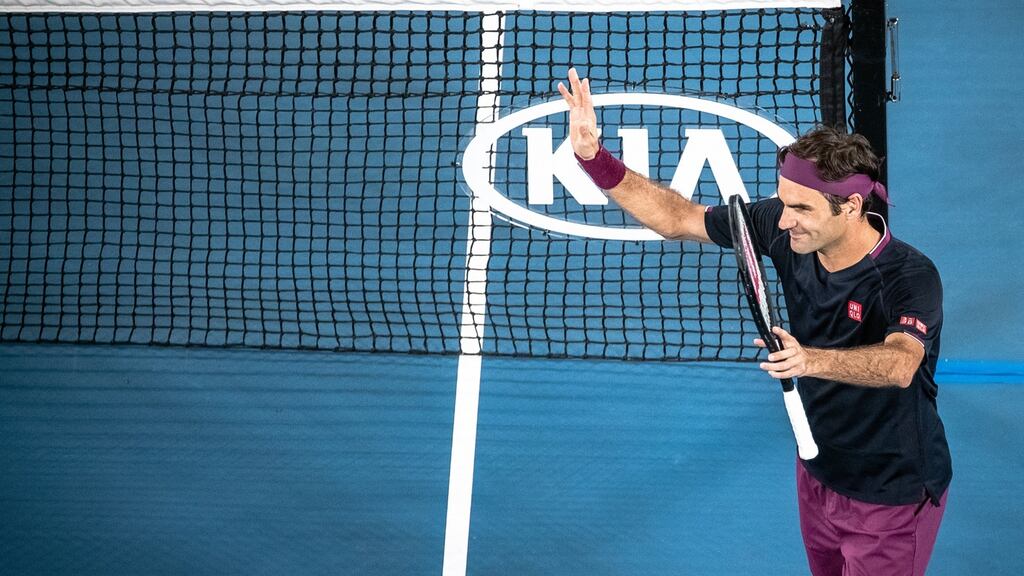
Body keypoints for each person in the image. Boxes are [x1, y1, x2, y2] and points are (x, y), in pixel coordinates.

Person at [558, 68, 952, 576]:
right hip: (817, 468)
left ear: (851, 206)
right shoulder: (782, 227)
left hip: (890, 494)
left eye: (801, 208)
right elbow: (679, 218)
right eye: (783, 203)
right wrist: (594, 159)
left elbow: (902, 364)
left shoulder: (908, 277)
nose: (783, 220)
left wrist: (808, 360)